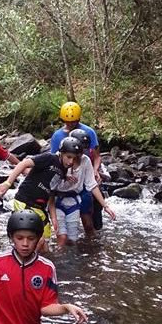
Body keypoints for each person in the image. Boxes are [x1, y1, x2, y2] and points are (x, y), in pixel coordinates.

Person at [0, 143, 78, 252]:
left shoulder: (63, 170)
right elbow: (23, 164)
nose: (71, 162)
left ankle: (39, 261)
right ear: (61, 153)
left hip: (40, 208)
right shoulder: (49, 158)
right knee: (36, 239)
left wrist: (54, 218)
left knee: (45, 247)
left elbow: (51, 193)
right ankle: (21, 259)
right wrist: (8, 183)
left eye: (74, 159)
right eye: (68, 157)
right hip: (25, 201)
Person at [52, 136, 116, 247]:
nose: (72, 160)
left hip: (76, 197)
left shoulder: (85, 160)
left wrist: (105, 206)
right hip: (58, 198)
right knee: (62, 236)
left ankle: (86, 251)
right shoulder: (56, 159)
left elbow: (92, 184)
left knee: (79, 233)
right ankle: (60, 254)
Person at [50, 101, 101, 235]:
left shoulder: (89, 132)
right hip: (66, 178)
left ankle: (93, 236)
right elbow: (54, 160)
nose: (70, 124)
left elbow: (97, 156)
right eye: (67, 122)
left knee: (89, 217)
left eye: (73, 122)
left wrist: (95, 171)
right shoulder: (57, 136)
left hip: (86, 172)